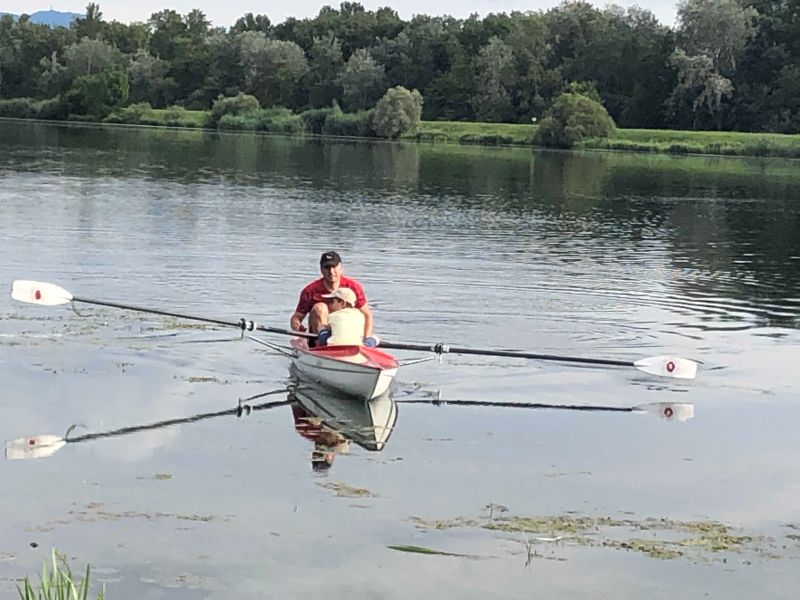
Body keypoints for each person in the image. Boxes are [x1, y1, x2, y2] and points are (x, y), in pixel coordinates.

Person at [290, 251, 374, 343]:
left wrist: (367, 339)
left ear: (341, 268)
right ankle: (321, 344)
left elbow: (367, 315)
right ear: (321, 270)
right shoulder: (310, 291)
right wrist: (297, 327)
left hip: (347, 338)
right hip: (318, 336)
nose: (331, 272)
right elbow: (296, 318)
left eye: (334, 267)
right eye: (327, 268)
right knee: (320, 307)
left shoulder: (353, 287)